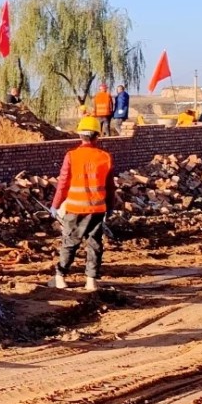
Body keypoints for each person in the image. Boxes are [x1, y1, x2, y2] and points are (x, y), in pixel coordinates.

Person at [50, 116, 116, 291]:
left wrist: (55, 204)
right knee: (94, 243)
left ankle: (60, 277)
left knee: (70, 242)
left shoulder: (71, 156)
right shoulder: (105, 157)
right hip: (97, 208)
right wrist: (110, 207)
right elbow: (110, 186)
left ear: (80, 136)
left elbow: (63, 182)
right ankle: (91, 280)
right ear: (97, 136)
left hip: (75, 208)